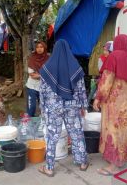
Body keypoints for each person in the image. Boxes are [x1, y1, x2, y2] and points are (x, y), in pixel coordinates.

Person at [38, 39, 89, 177]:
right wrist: (83, 106)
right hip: (72, 106)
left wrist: (43, 108)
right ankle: (83, 162)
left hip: (53, 108)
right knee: (76, 133)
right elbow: (81, 89)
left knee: (52, 136)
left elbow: (42, 91)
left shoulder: (47, 69)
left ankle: (49, 167)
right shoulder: (75, 67)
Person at [93, 34, 127, 176]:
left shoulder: (114, 57)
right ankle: (121, 159)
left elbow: (106, 81)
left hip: (114, 105)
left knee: (113, 131)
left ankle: (113, 166)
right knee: (123, 132)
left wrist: (98, 98)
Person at [26, 41, 49, 117]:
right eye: (37, 47)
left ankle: (43, 124)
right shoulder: (32, 58)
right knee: (31, 107)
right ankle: (29, 123)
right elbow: (32, 75)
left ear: (44, 48)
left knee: (44, 107)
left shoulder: (48, 59)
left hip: (44, 87)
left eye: (41, 47)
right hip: (32, 86)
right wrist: (43, 75)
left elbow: (50, 73)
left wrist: (39, 75)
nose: (39, 49)